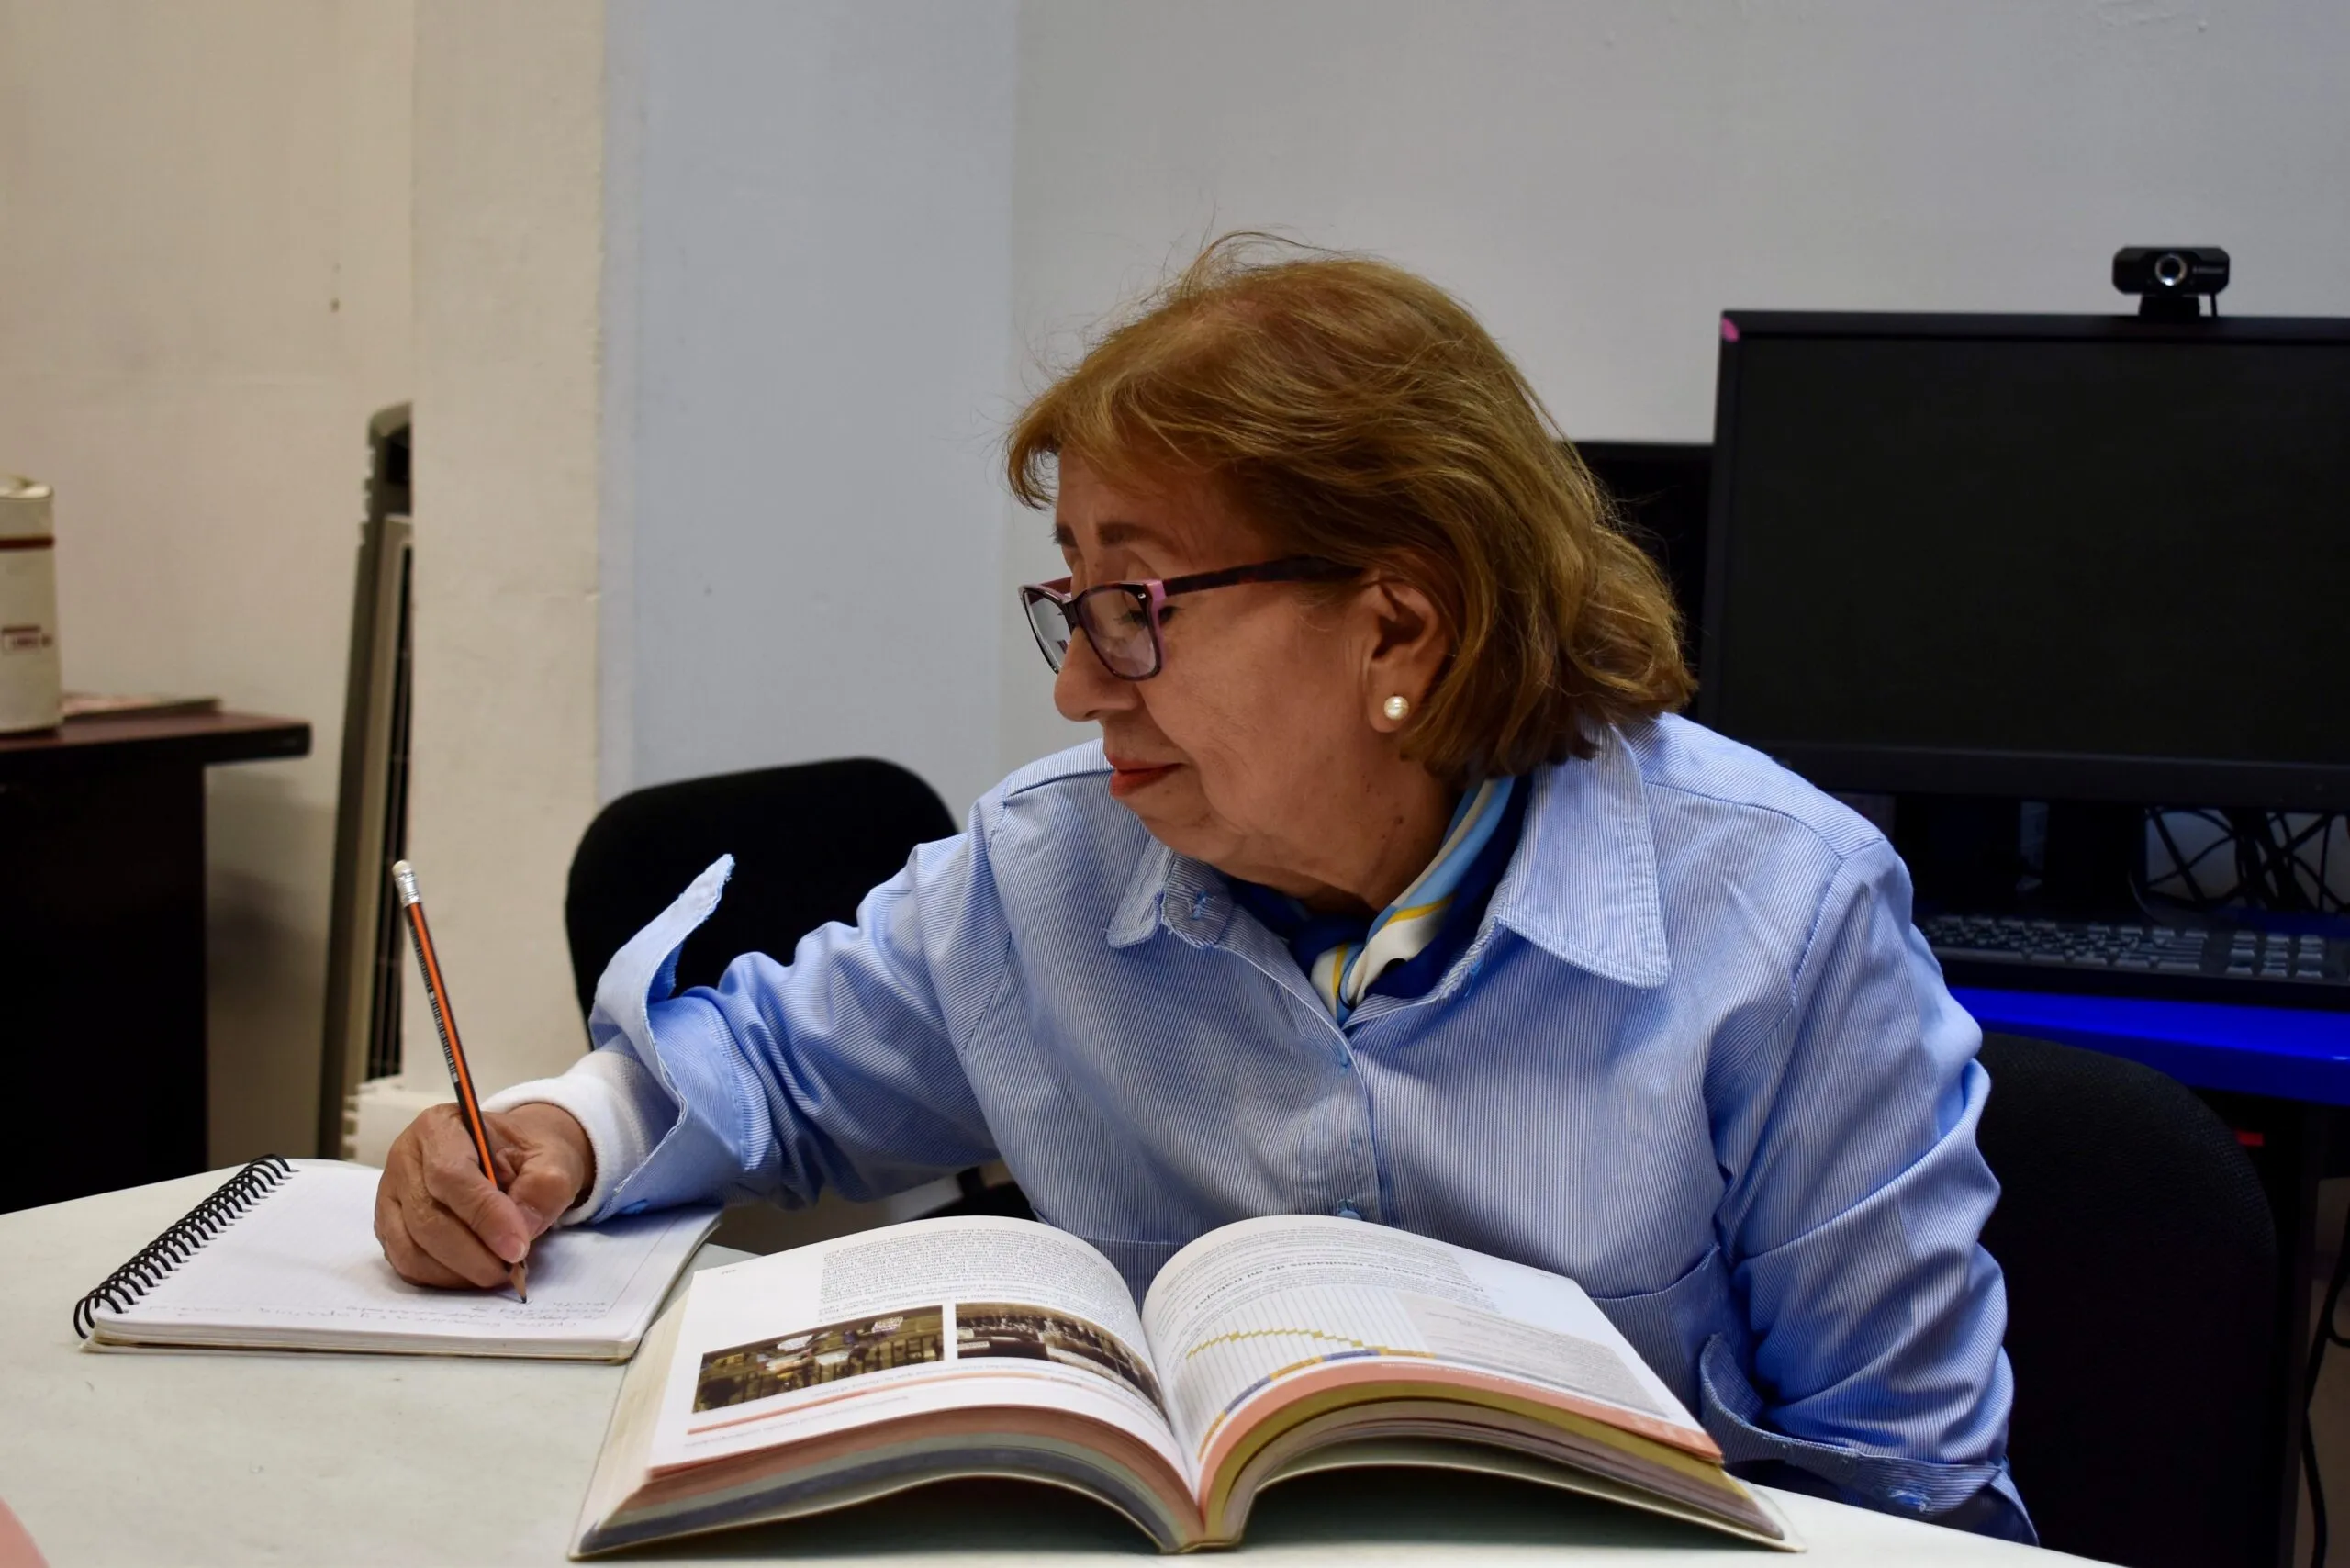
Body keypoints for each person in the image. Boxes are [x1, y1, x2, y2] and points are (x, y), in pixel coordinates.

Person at [375, 237, 2029, 1540]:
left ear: (1398, 626)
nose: (1076, 689)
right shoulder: (1049, 867)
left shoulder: (1783, 920)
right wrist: (554, 1135)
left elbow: (1909, 1496)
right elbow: (768, 1073)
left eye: (1138, 608)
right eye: (1071, 604)